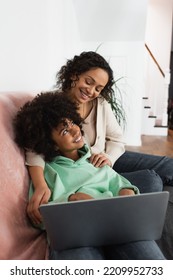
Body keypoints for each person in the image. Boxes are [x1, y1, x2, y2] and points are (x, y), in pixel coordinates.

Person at [13, 91, 165, 260]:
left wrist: (126, 192)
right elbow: (40, 218)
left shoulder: (94, 159)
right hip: (77, 237)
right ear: (52, 145)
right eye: (64, 131)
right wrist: (71, 201)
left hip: (117, 228)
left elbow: (118, 182)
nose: (74, 130)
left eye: (71, 122)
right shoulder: (48, 172)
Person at [25, 51, 170, 225]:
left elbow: (117, 139)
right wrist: (40, 184)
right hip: (83, 167)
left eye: (98, 88)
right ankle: (115, 208)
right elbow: (34, 146)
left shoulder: (100, 104)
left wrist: (108, 158)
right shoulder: (53, 106)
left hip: (102, 161)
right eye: (88, 82)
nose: (91, 91)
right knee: (152, 180)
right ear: (74, 75)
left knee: (167, 165)